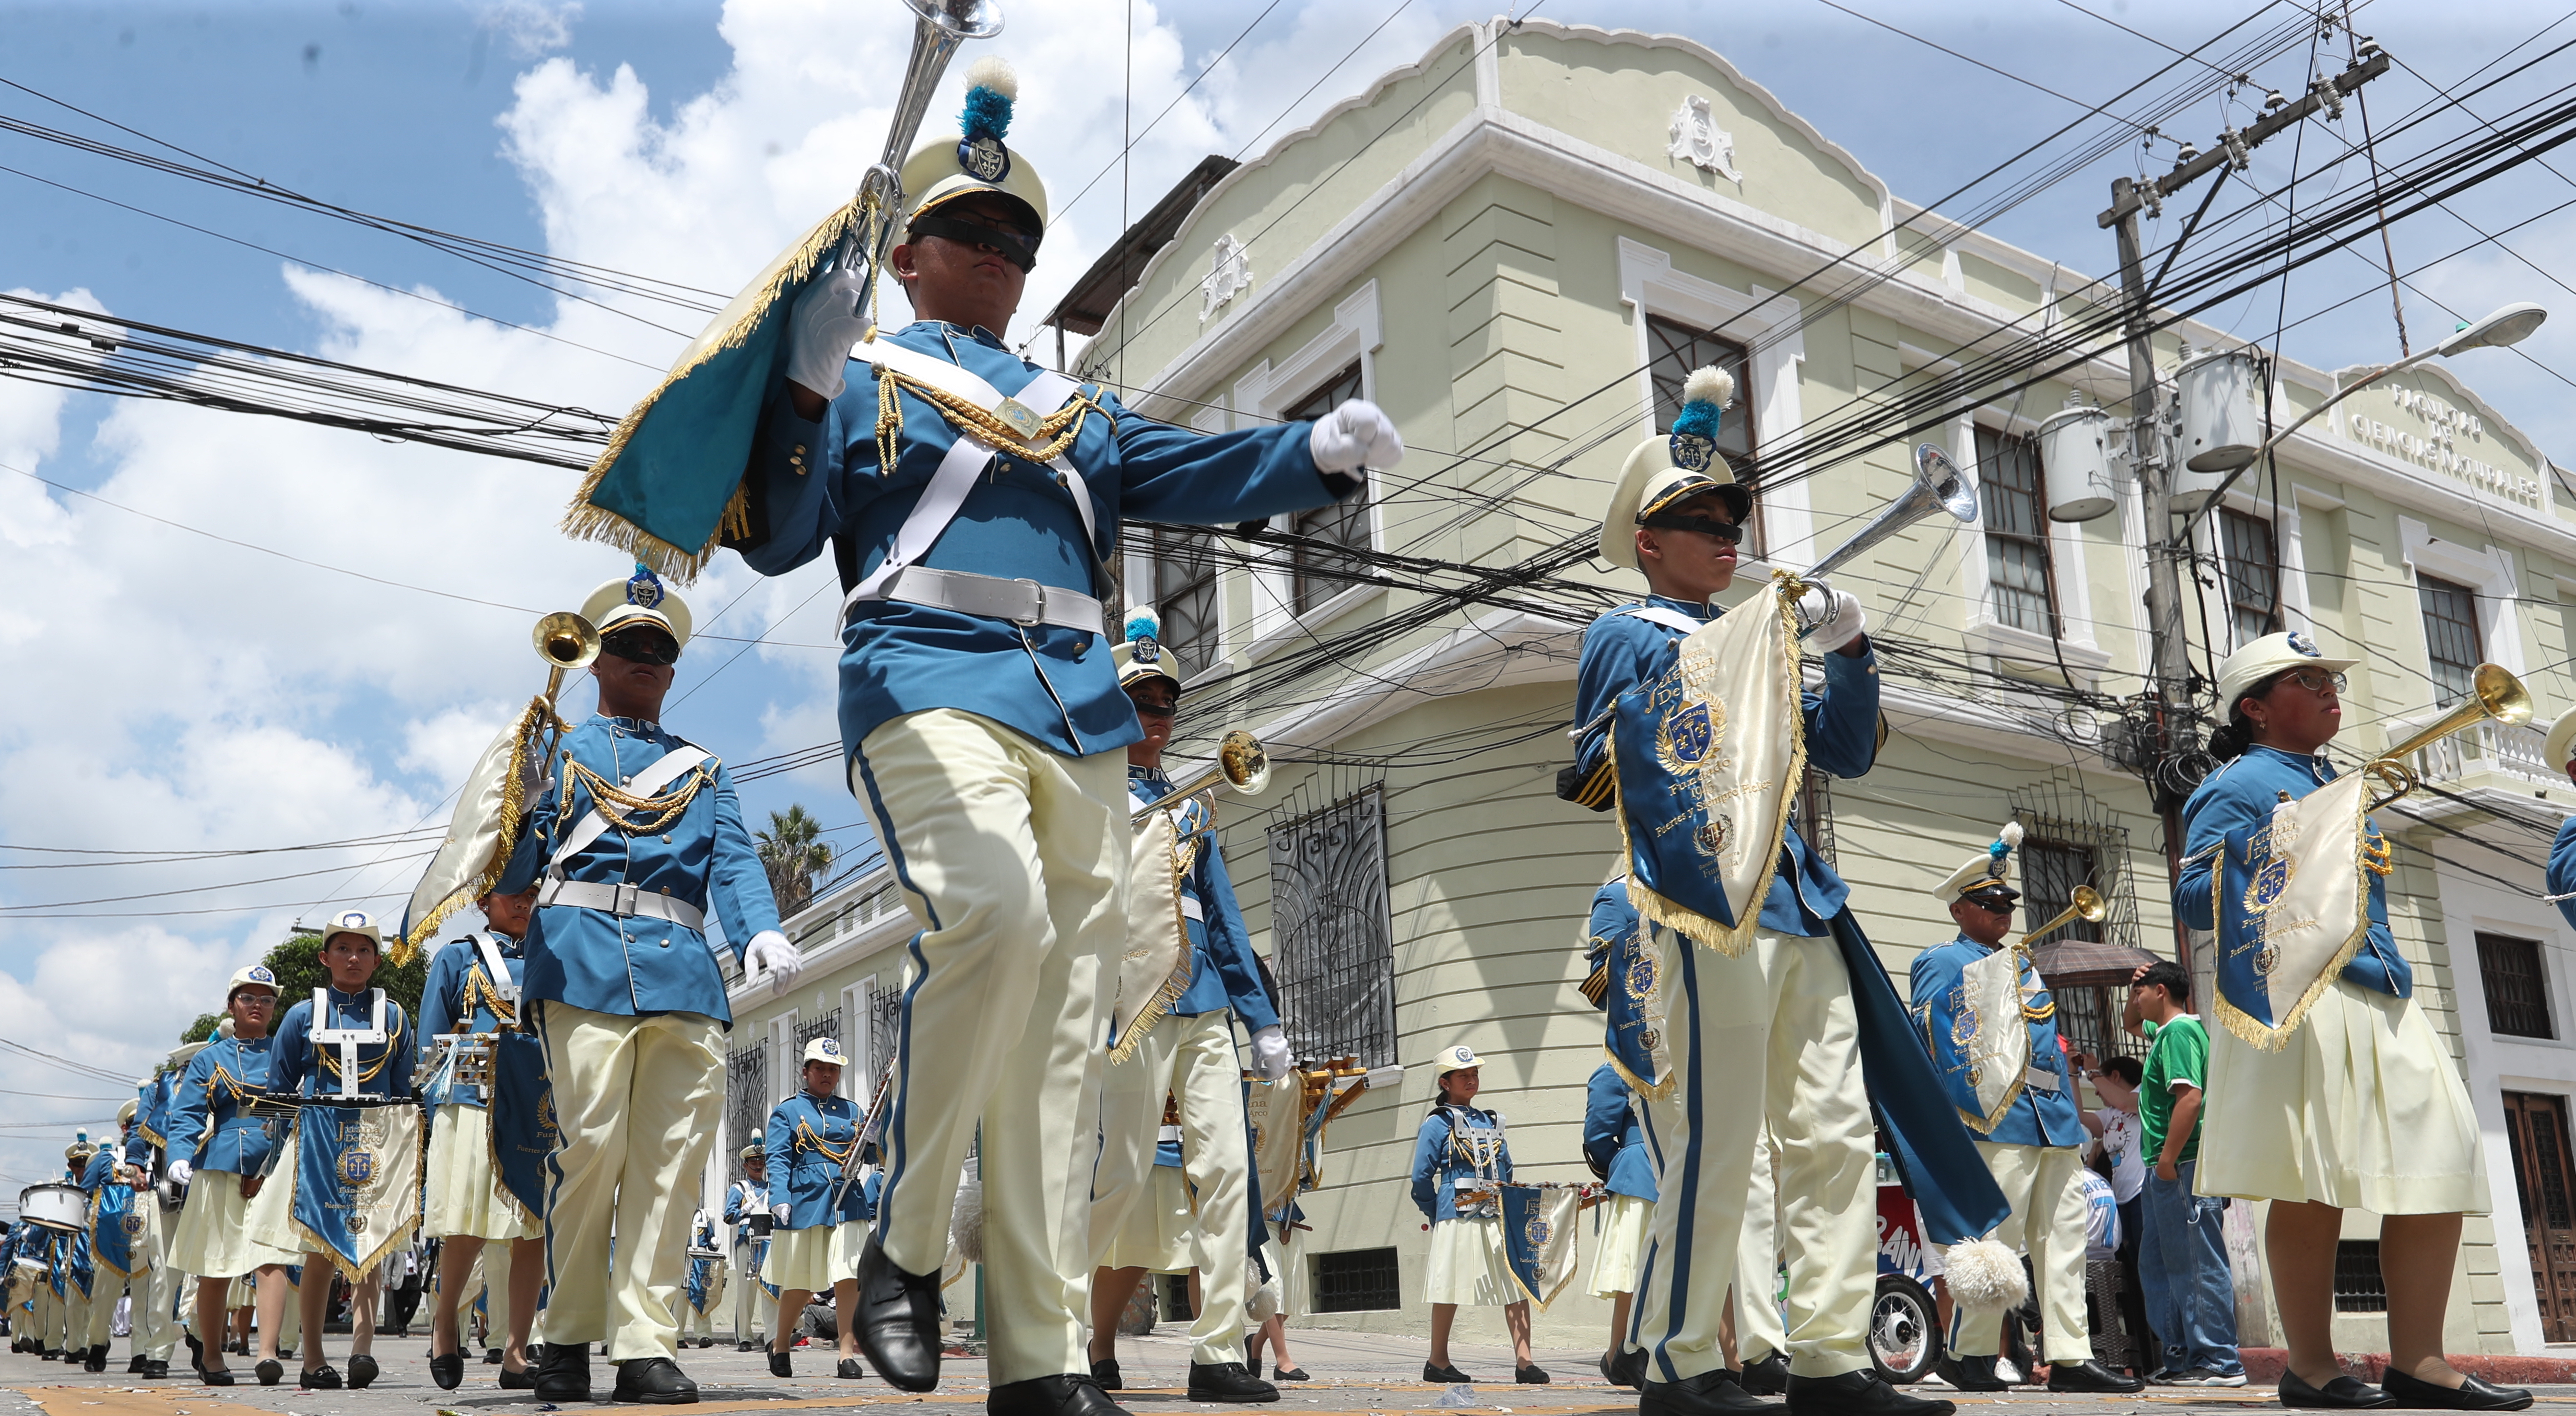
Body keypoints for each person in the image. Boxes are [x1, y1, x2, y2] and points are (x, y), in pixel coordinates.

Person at [724, 58, 1398, 1416]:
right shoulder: (862, 372)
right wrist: (799, 394)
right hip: (918, 669)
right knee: (992, 908)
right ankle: (910, 1241)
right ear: (907, 256)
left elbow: (1191, 468)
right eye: (969, 236)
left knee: (1052, 1045)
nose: (995, 257)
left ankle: (1031, 1354)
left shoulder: (1070, 409)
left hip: (1078, 702)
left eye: (1016, 243)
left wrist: (1310, 453)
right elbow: (783, 536)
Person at [1570, 369, 1994, 1416]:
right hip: (1705, 904)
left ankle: (1827, 1356)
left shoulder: (1760, 638)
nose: (1724, 535)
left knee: (1837, 1137)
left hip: (1800, 906)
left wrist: (1848, 653)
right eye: (1697, 519)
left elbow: (1844, 749)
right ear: (1646, 541)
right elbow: (1591, 770)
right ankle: (1676, 1356)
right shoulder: (1629, 633)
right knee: (1717, 1138)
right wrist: (1717, 666)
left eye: (1730, 518)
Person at [2178, 632, 2525, 1411]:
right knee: (2312, 1177)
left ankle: (2420, 1360)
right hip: (2302, 993)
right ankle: (2308, 1362)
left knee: (2441, 1151)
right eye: (2310, 678)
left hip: (2381, 985)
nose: (2333, 689)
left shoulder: (2331, 776)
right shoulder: (2240, 783)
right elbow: (2193, 896)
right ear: (2256, 709)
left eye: (2332, 677)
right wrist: (2282, 847)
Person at [491, 568, 798, 1405]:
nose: (644, 660)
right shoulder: (559, 749)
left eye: (659, 650)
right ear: (594, 659)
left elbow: (731, 858)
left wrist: (760, 927)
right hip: (580, 955)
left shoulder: (703, 768)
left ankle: (644, 1343)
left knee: (670, 1165)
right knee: (589, 1146)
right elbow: (513, 872)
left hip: (684, 972)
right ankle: (564, 1334)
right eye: (627, 645)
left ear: (672, 667)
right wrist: (521, 789)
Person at [1086, 616, 1292, 1403]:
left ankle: (1216, 1354)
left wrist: (1261, 1018)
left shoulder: (1194, 807)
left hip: (1203, 999)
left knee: (1228, 1172)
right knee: (1120, 1171)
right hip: (1129, 1001)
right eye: (1141, 701)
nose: (1157, 718)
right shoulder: (1088, 791)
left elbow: (1225, 918)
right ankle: (1063, 1334)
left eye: (1167, 704)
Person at [1907, 827, 2142, 1396]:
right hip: (1996, 1116)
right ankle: (1968, 1351)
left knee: (2063, 1241)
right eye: (1988, 903)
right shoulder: (1942, 960)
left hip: (2052, 1116)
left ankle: (2069, 1355)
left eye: (2007, 903)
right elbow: (1934, 1035)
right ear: (1959, 908)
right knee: (1996, 1240)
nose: (2002, 911)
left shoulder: (2022, 963)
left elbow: (2048, 1045)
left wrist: (2075, 1111)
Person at [255, 911, 416, 1390]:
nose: (354, 958)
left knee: (372, 1242)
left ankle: (363, 1349)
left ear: (377, 960)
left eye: (364, 949)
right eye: (343, 949)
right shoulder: (302, 1015)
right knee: (321, 1251)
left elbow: (404, 1088)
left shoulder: (394, 1015)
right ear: (325, 957)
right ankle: (313, 1358)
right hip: (319, 1141)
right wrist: (270, 1160)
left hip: (377, 1141)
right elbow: (279, 1090)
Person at [419, 883, 546, 1391]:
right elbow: (432, 1043)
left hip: (537, 1106)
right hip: (472, 1100)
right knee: (468, 1223)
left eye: (531, 893)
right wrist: (432, 1122)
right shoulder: (457, 959)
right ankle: (445, 1318)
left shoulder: (552, 957)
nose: (521, 902)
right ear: (483, 902)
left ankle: (516, 1349)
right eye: (510, 893)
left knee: (532, 1228)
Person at [167, 966, 300, 1386]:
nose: (258, 1005)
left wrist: (272, 1162)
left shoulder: (288, 1051)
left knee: (272, 1258)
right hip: (222, 1163)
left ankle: (266, 1353)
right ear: (231, 1006)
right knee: (216, 1265)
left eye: (266, 998)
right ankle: (211, 1354)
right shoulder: (211, 1057)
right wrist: (179, 1155)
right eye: (248, 997)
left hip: (274, 1165)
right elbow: (187, 1112)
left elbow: (297, 1109)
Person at [2118, 961, 2241, 1386]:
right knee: (2160, 1262)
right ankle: (2183, 1354)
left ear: (2162, 991)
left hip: (2181, 1164)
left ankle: (2219, 1359)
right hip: (2164, 1169)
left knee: (2195, 1260)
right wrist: (2134, 983)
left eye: (2141, 991)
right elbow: (2132, 1023)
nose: (2135, 1000)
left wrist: (2168, 1160)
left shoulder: (2179, 1032)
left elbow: (2189, 1098)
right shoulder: (2163, 1031)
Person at [1410, 1046, 1545, 1385]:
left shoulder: (1491, 1119)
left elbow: (1507, 1167)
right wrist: (1438, 1212)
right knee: (1449, 1284)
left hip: (1494, 1210)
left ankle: (1525, 1361)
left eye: (1474, 1074)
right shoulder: (1436, 1123)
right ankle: (1437, 1360)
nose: (1471, 1080)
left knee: (1515, 1280)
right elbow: (1420, 1178)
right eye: (1463, 1075)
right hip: (1456, 1212)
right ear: (1445, 1082)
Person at [762, 1036, 874, 1380]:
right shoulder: (788, 1111)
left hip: (847, 1200)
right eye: (820, 1068)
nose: (827, 1074)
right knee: (800, 1280)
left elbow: (870, 1156)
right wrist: (779, 1196)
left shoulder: (854, 1112)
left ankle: (845, 1353)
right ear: (806, 1071)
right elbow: (778, 1158)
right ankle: (781, 1344)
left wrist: (878, 1138)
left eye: (833, 1069)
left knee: (848, 1275)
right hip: (808, 1200)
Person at [1583, 1060, 1655, 1389]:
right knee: (1633, 1268)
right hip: (1640, 1171)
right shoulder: (1617, 1065)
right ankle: (1617, 1354)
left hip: (1678, 1165)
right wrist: (1629, 1160)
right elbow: (1598, 1133)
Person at [724, 1146, 774, 1351]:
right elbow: (728, 1217)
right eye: (753, 1163)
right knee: (746, 1291)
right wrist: (743, 1211)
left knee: (771, 1289)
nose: (757, 1166)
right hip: (748, 1239)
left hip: (770, 1239)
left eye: (761, 1162)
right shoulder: (739, 1189)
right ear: (745, 1165)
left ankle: (772, 1336)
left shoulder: (772, 1187)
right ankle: (745, 1337)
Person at [684, 1210, 729, 1348]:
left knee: (700, 1296)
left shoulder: (703, 1216)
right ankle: (678, 1335)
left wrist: (714, 1242)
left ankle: (704, 1335)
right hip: (684, 1254)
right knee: (681, 1297)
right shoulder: (679, 1209)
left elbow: (710, 1239)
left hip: (701, 1257)